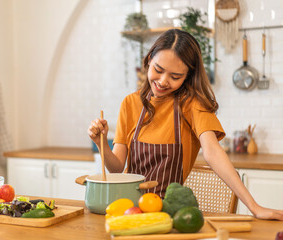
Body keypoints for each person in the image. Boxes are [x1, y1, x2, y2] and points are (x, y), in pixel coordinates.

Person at [88, 29, 283, 221]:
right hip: (130, 212)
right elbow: (117, 168)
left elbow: (213, 152)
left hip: (169, 216)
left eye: (175, 77)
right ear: (148, 60)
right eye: (158, 70)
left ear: (188, 76)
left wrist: (254, 207)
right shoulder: (130, 104)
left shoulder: (191, 104)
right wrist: (101, 142)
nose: (163, 81)